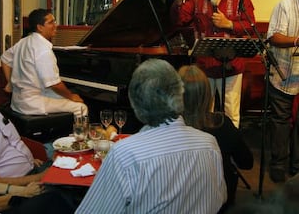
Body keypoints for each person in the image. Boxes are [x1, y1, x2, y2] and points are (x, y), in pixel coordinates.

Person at [76, 59, 227, 214]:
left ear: (135, 103)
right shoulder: (210, 144)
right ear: (179, 96)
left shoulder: (125, 154)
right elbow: (219, 198)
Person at [172, 0, 256, 128]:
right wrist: (179, 0)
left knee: (231, 113)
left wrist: (229, 24)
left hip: (231, 66)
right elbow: (179, 20)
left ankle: (229, 148)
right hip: (204, 67)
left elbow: (251, 26)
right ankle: (204, 147)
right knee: (202, 112)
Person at [178, 64, 254, 212]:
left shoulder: (167, 126)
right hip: (216, 203)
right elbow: (246, 162)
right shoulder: (222, 124)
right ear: (207, 94)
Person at [1, 8, 88, 117]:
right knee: (81, 107)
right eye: (51, 22)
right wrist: (71, 96)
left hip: (18, 100)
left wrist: (10, 83)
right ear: (40, 27)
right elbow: (54, 84)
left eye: (54, 21)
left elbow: (5, 58)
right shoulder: (43, 49)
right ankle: (74, 134)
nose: (55, 25)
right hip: (32, 103)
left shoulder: (24, 41)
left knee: (64, 96)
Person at [266, 0, 299, 183]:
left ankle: (296, 166)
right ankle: (278, 164)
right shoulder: (285, 4)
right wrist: (296, 40)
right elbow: (273, 36)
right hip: (284, 72)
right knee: (280, 121)